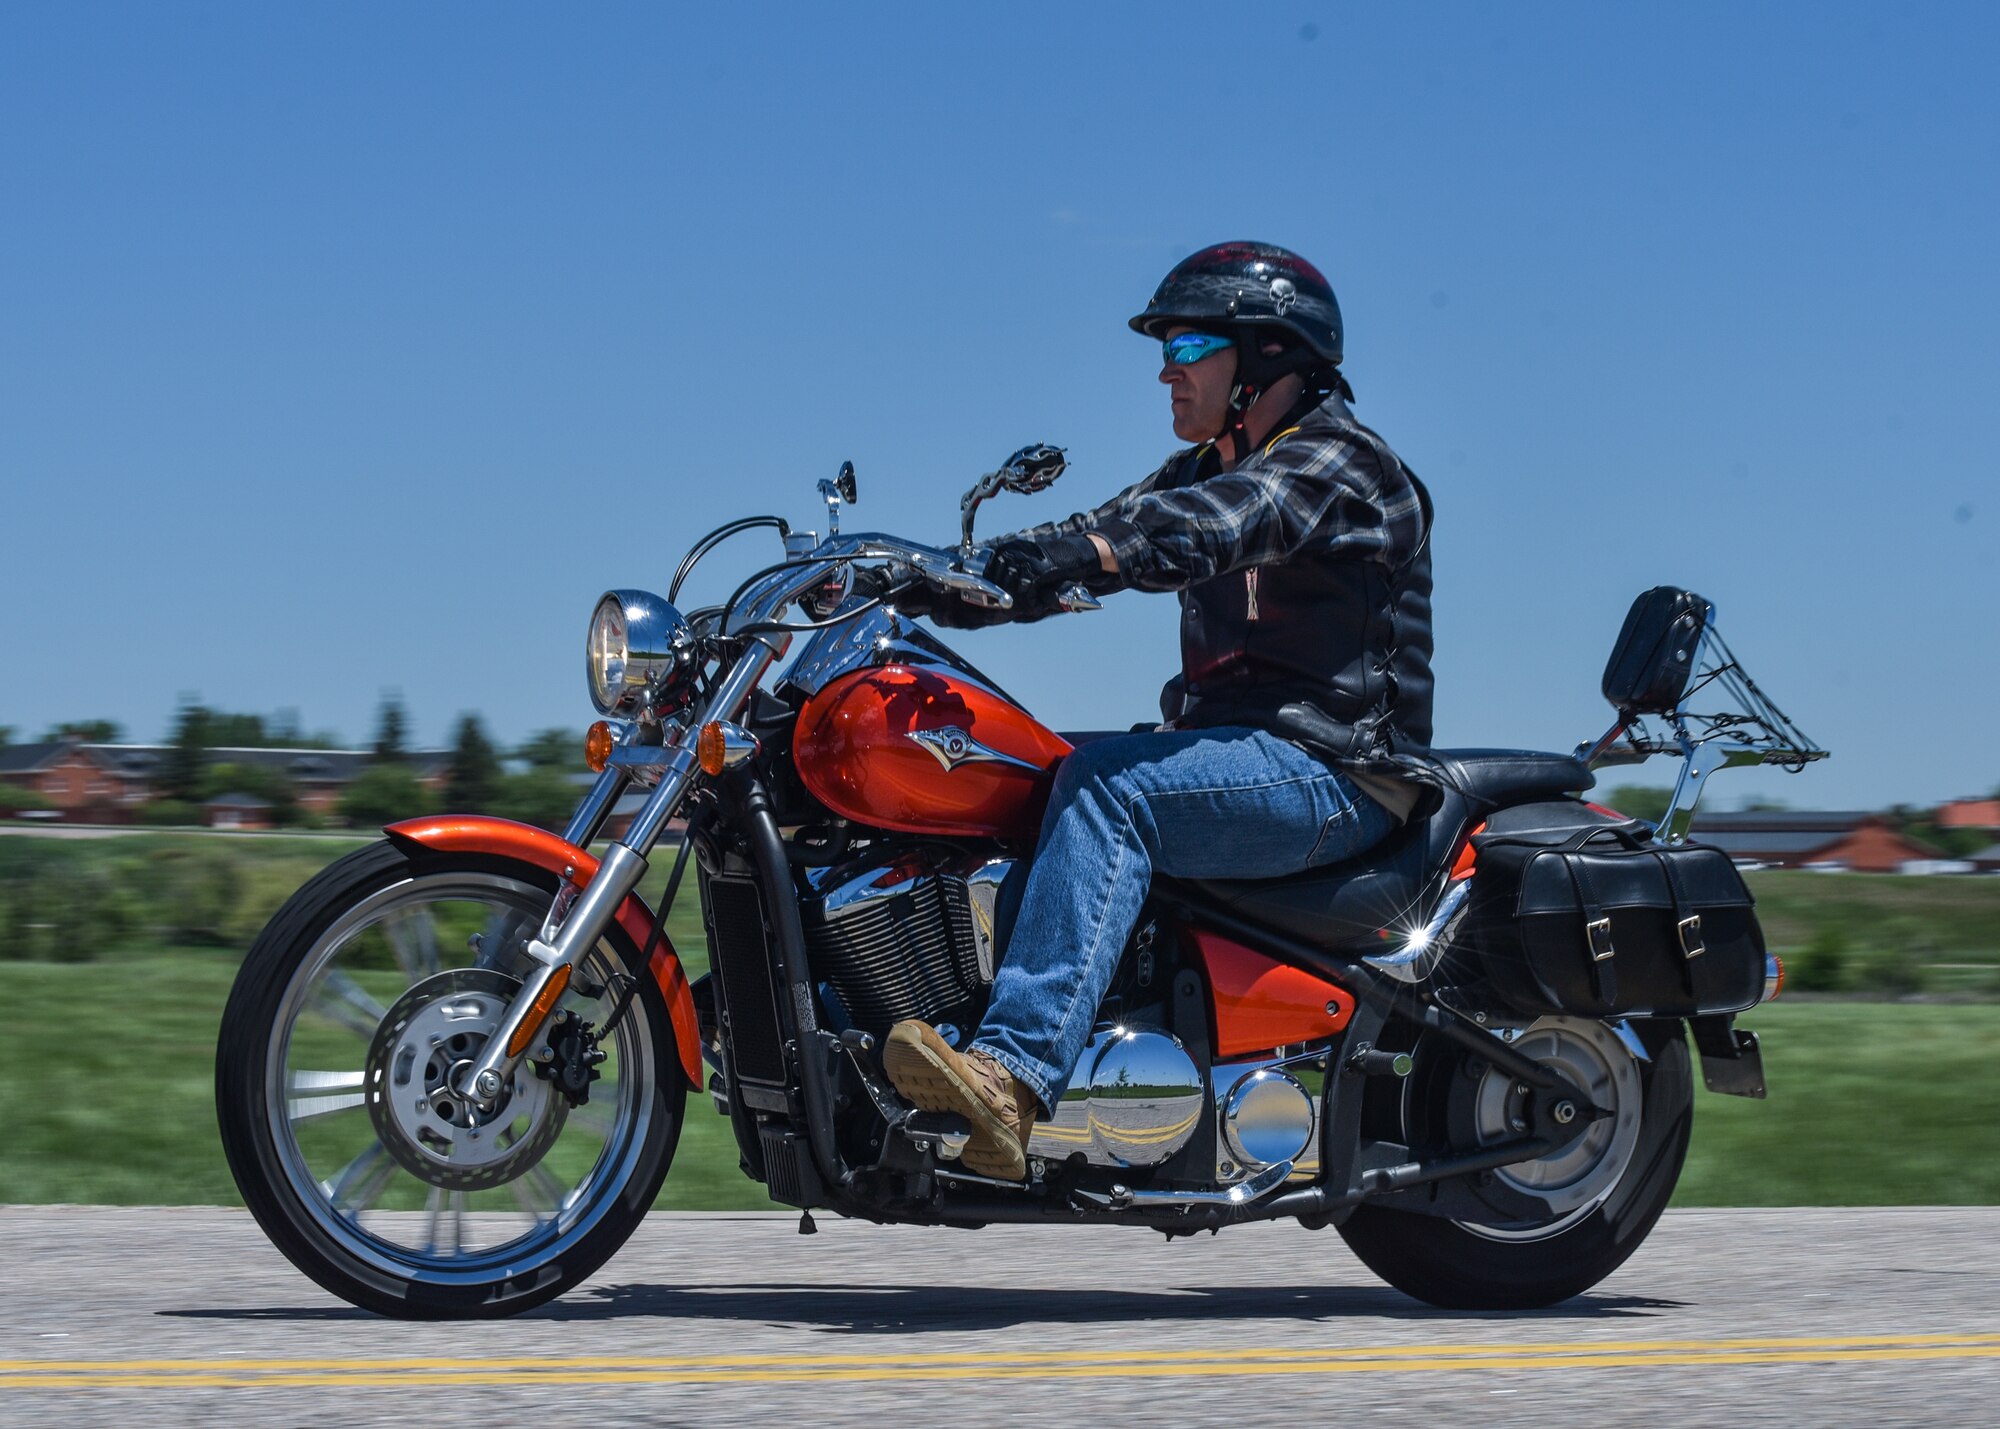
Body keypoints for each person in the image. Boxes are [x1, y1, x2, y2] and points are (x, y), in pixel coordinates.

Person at [881, 241, 1435, 1180]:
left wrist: (1088, 554)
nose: (1166, 371)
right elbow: (1080, 535)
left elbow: (1206, 529)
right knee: (1012, 766)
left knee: (1107, 791)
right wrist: (924, 580)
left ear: (1264, 357)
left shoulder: (1338, 462)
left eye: (1187, 347)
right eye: (1164, 351)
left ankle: (1014, 1075)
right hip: (1235, 755)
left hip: (1333, 770)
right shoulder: (1201, 468)